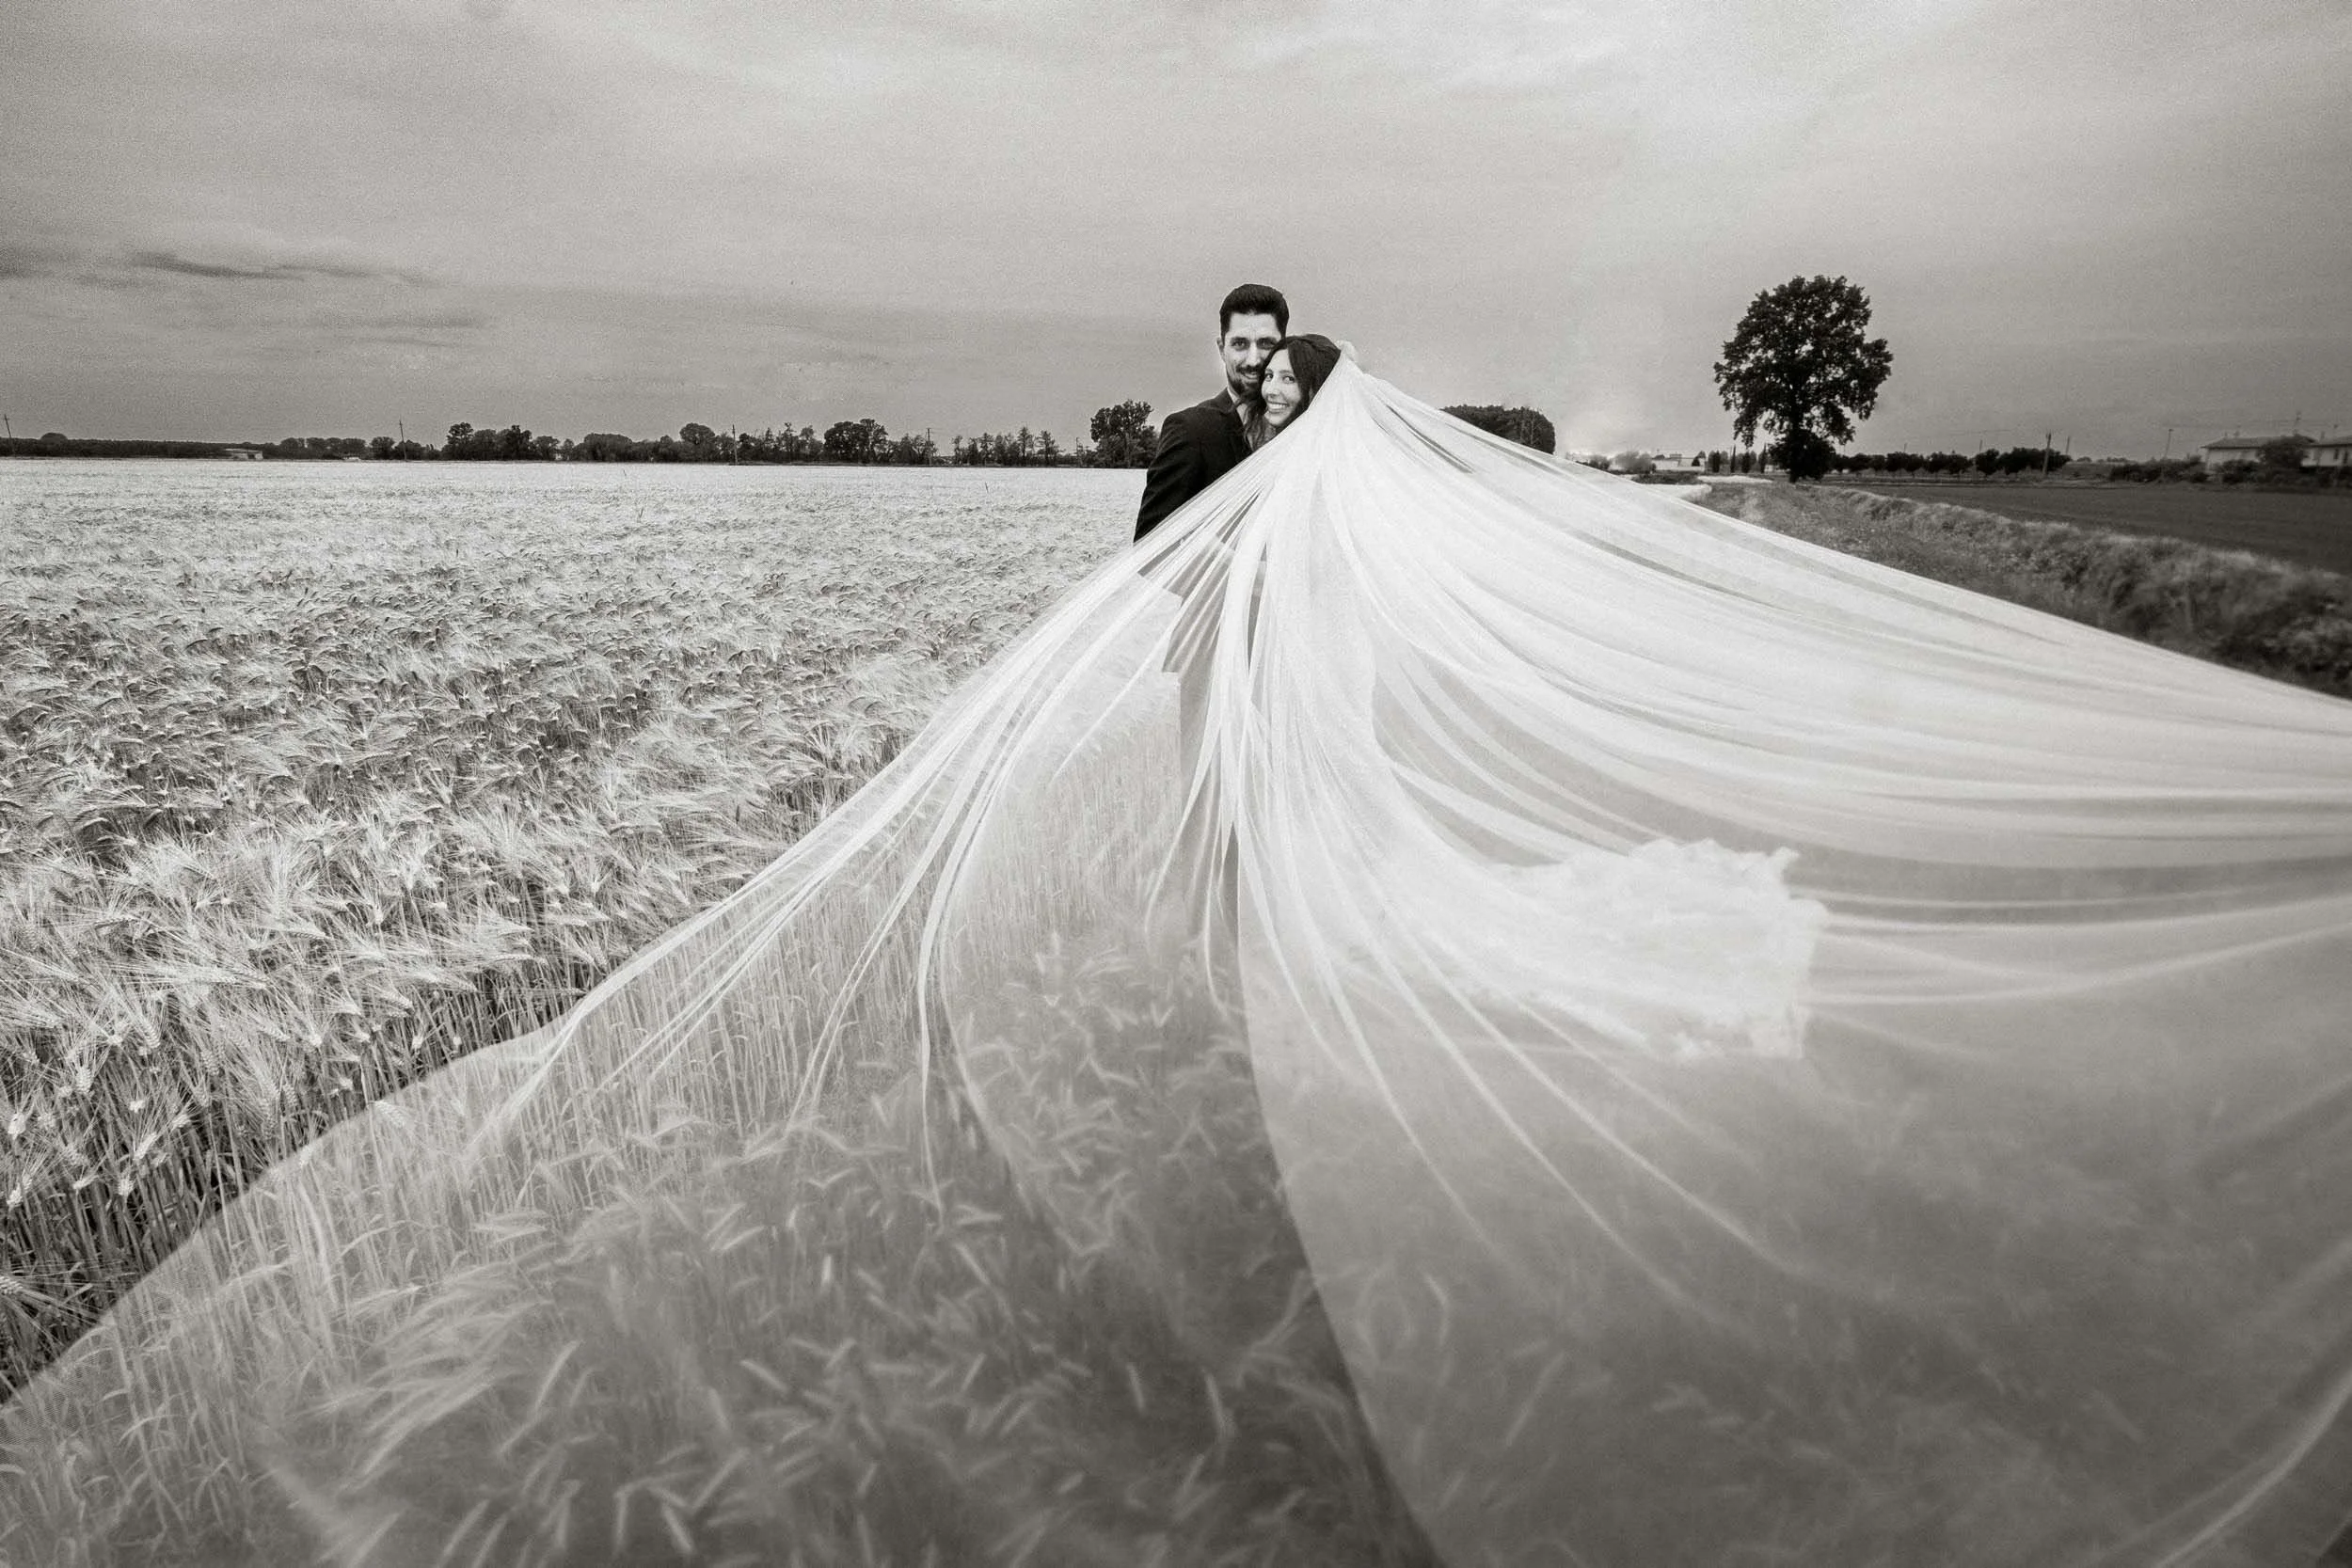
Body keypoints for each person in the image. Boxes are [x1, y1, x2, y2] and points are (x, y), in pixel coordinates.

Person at [10, 350, 2352, 1568]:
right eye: (1229, 344)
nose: (1241, 367)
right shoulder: (1178, 458)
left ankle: (1286, 983)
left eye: (1260, 346)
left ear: (1287, 368)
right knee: (1243, 867)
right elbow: (1161, 582)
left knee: (1309, 887)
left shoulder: (1312, 449)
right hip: (1201, 683)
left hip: (1282, 692)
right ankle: (1251, 960)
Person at [1134, 282, 1286, 541]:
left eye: (1265, 344)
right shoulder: (1191, 430)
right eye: (1239, 344)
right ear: (1221, 348)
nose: (1253, 359)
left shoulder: (1304, 423)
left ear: (1284, 347)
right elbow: (1150, 548)